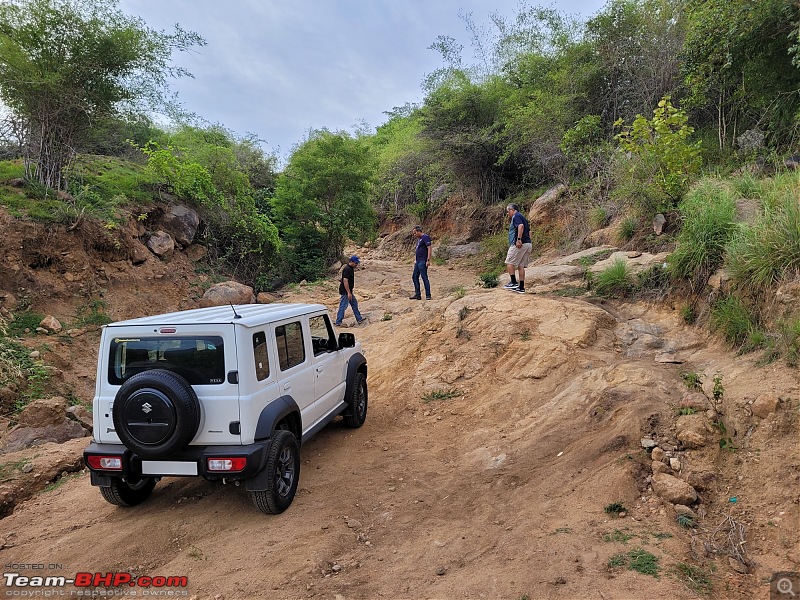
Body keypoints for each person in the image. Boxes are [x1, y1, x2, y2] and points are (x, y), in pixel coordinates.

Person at [503, 204, 532, 294]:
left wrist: (518, 240)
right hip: (528, 244)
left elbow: (520, 226)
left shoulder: (516, 216)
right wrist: (528, 242)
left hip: (520, 244)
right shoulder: (523, 217)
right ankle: (521, 288)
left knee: (509, 262)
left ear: (512, 210)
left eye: (508, 212)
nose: (508, 214)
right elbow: (530, 231)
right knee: (521, 266)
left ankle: (513, 282)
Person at [335, 255, 365, 326]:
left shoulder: (350, 268)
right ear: (351, 262)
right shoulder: (347, 269)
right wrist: (348, 292)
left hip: (348, 291)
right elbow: (345, 281)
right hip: (345, 291)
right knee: (343, 306)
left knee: (354, 304)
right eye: (355, 263)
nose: (356, 264)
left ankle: (359, 319)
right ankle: (338, 322)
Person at [409, 225, 432, 300]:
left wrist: (428, 260)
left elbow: (429, 248)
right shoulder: (419, 239)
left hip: (423, 261)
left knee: (424, 277)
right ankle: (417, 294)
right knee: (414, 277)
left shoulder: (425, 237)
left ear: (419, 231)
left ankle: (428, 295)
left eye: (415, 233)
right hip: (418, 261)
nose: (414, 234)